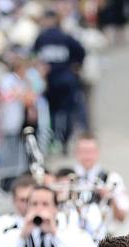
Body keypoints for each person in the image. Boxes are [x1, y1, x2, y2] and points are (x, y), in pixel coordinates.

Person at [33, 9, 87, 152]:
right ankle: (62, 140)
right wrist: (76, 65)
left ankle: (56, 141)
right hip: (64, 80)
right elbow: (81, 51)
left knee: (54, 112)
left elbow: (34, 56)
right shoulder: (64, 37)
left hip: (52, 82)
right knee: (66, 112)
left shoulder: (43, 38)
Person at [72, 133, 129, 240]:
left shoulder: (112, 179)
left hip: (105, 239)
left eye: (90, 151)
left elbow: (122, 217)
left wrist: (110, 198)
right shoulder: (67, 179)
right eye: (83, 151)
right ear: (76, 153)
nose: (87, 156)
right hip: (74, 237)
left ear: (97, 153)